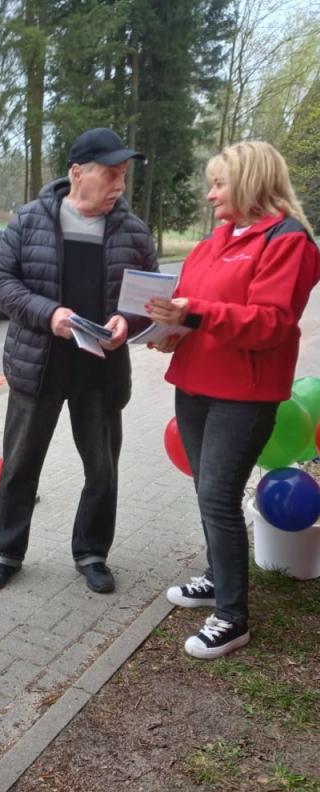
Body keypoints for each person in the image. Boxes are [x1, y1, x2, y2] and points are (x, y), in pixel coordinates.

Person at [147, 141, 320, 659]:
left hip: (242, 395)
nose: (209, 194)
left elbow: (270, 323)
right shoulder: (218, 238)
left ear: (249, 181)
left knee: (219, 498)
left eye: (219, 183)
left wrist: (192, 312)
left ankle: (232, 617)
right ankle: (215, 578)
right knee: (206, 490)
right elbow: (196, 309)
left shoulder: (288, 242)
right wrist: (169, 330)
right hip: (195, 384)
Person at [0, 127, 158, 595]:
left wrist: (127, 322)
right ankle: (6, 551)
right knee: (20, 465)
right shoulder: (31, 220)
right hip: (39, 365)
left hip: (101, 370)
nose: (120, 185)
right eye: (111, 174)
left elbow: (151, 299)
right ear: (77, 172)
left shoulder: (133, 231)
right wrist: (48, 313)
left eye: (123, 175)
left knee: (102, 469)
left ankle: (92, 552)